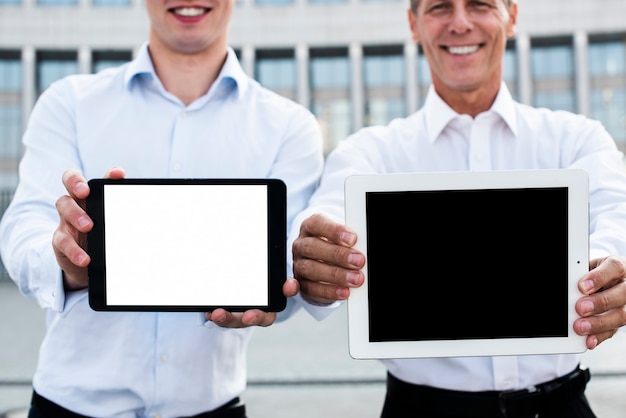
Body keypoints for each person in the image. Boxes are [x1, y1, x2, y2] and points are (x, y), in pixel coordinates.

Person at [289, 0, 626, 417]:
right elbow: (322, 224)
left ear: (512, 17)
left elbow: (617, 218)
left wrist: (607, 270)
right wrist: (314, 259)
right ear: (414, 24)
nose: (460, 23)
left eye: (480, 4)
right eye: (440, 7)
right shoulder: (370, 154)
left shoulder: (576, 139)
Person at [0, 0, 324, 416]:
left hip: (213, 406)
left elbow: (289, 266)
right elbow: (22, 230)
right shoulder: (69, 103)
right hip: (68, 405)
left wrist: (282, 290)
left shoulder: (289, 126)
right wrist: (67, 262)